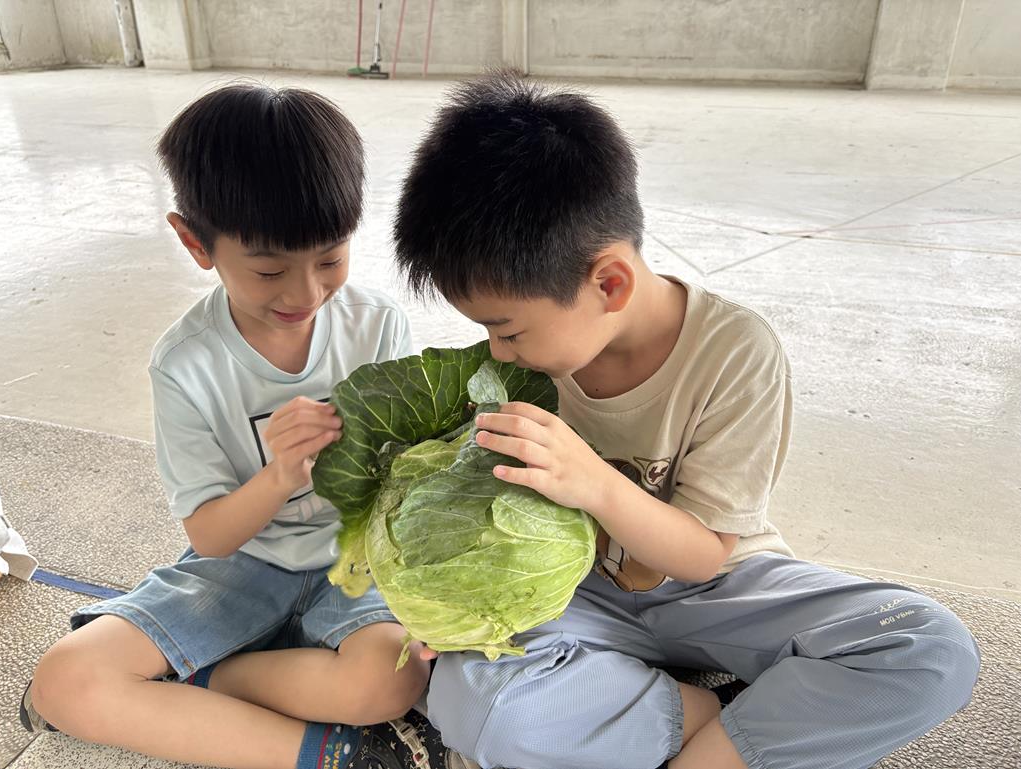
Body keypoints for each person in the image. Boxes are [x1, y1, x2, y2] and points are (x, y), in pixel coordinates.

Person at [392, 71, 981, 769]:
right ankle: (713, 713)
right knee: (471, 700)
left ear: (608, 283)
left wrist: (594, 482)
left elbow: (704, 555)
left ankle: (696, 747)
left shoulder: (735, 350)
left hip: (722, 587)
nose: (495, 351)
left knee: (929, 648)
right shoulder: (522, 362)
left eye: (508, 330)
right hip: (573, 596)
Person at [21, 83, 459, 769]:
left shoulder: (376, 324)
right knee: (63, 683)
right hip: (238, 567)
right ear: (194, 242)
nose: (306, 293)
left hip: (357, 564)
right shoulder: (186, 363)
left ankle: (207, 679)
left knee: (390, 678)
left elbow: (406, 479)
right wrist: (280, 475)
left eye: (330, 259)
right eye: (268, 269)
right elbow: (211, 535)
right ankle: (346, 754)